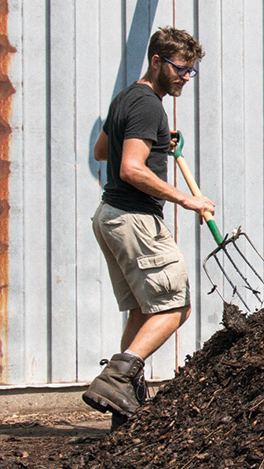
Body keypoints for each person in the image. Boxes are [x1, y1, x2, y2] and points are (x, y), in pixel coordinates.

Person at [84, 27, 214, 428]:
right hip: (135, 218)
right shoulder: (148, 106)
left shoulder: (126, 97)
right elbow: (129, 167)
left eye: (191, 71)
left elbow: (102, 150)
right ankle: (116, 379)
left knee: (144, 310)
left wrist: (158, 141)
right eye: (179, 68)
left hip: (110, 216)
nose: (185, 77)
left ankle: (123, 403)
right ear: (156, 60)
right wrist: (185, 199)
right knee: (176, 305)